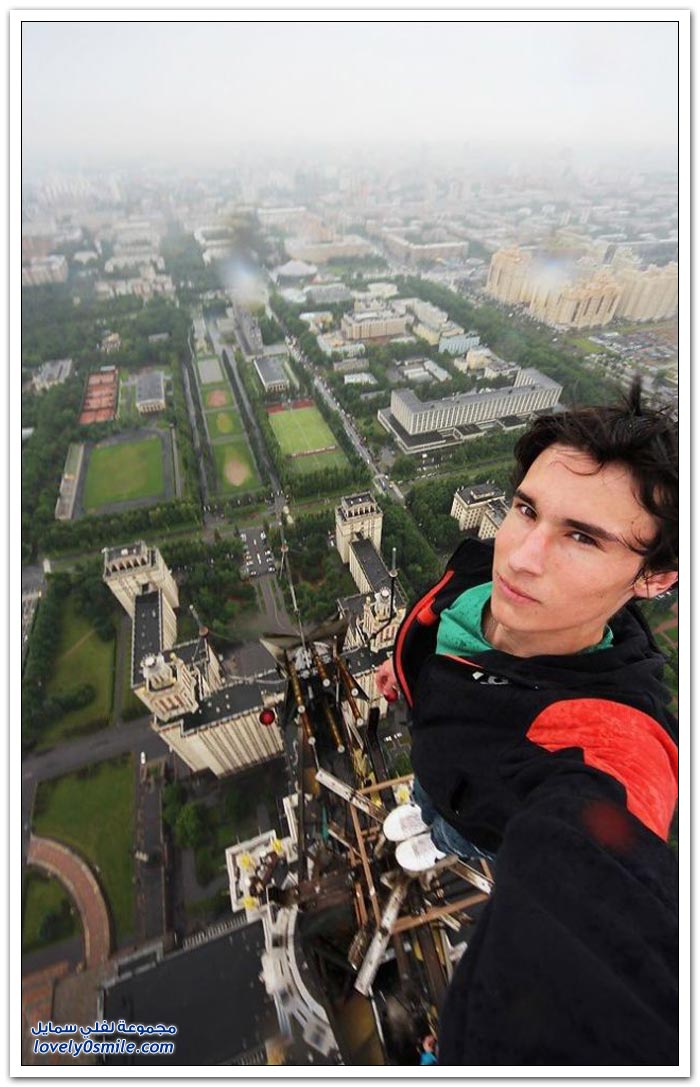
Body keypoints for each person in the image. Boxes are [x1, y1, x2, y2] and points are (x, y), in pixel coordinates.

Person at [377, 380, 679, 1065]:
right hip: (437, 755)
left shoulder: (610, 734)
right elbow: (435, 630)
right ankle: (426, 815)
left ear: (655, 579)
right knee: (426, 799)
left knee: (452, 829)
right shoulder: (476, 573)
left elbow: (597, 906)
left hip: (479, 817)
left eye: (582, 537)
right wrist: (404, 671)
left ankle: (440, 835)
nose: (521, 555)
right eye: (526, 509)